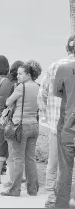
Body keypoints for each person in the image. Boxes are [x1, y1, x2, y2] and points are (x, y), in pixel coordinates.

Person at [38, 36, 75, 208]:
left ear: (67, 48)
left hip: (60, 125)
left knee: (57, 166)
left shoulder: (56, 67)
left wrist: (45, 115)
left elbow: (43, 94)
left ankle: (53, 199)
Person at [2, 60, 41, 197]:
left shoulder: (21, 87)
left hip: (20, 126)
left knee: (18, 158)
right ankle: (33, 189)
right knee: (30, 158)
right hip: (34, 126)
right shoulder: (38, 87)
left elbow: (7, 102)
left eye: (20, 74)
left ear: (28, 75)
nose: (17, 76)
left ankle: (15, 190)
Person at [53, 39, 75, 208]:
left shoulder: (63, 69)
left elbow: (57, 92)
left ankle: (62, 205)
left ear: (68, 48)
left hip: (69, 127)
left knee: (65, 171)